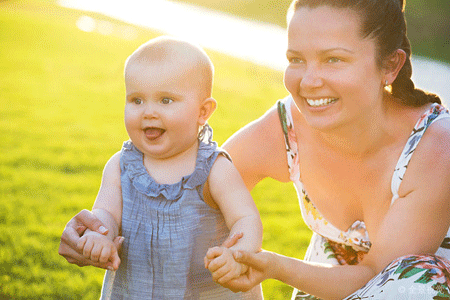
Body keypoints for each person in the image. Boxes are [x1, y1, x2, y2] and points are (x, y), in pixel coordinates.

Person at [59, 0, 450, 298]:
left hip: (407, 289)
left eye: (333, 59)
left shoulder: (436, 147)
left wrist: (270, 265)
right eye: (296, 59)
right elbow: (195, 190)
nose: (309, 81)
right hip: (330, 283)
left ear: (390, 65)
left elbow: (379, 274)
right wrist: (100, 231)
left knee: (413, 284)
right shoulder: (285, 128)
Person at [63, 36, 263, 299]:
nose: (148, 112)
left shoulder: (214, 168)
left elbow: (245, 218)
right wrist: (100, 236)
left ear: (202, 112)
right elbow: (106, 213)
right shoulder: (120, 167)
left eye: (165, 100)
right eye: (136, 100)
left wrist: (239, 254)